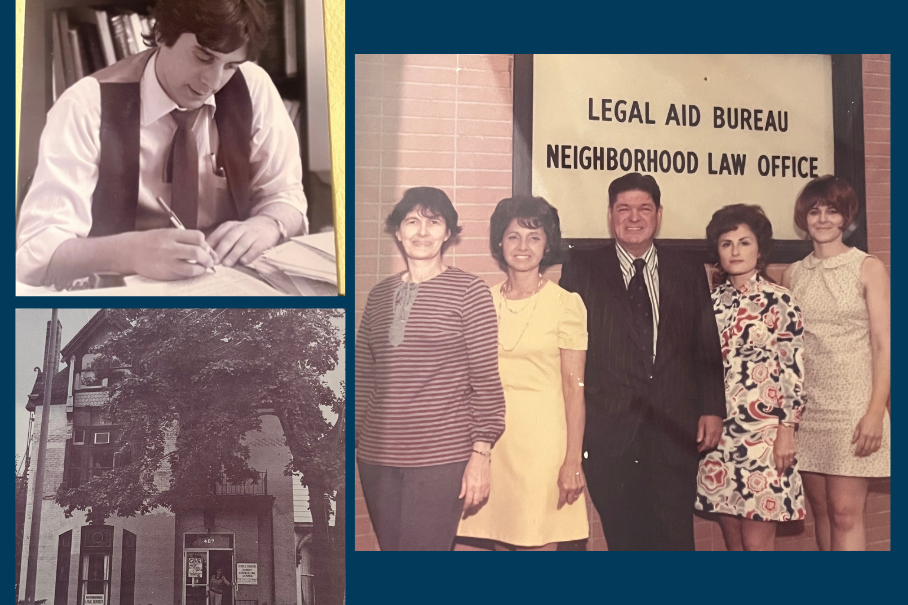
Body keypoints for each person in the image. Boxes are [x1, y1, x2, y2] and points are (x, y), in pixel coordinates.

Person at [16, 0, 307, 288]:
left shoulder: (253, 87)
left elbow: (286, 195)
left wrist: (269, 223)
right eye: (203, 57)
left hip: (224, 289)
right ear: (161, 34)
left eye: (230, 65)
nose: (213, 81)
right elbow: (36, 252)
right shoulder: (86, 105)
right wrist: (131, 252)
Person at [559, 172, 725, 551]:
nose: (634, 217)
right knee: (626, 540)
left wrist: (713, 408)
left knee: (675, 539)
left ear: (659, 214)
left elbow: (705, 344)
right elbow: (568, 354)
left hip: (674, 429)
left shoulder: (685, 269)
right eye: (624, 209)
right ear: (610, 214)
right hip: (610, 432)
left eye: (644, 208)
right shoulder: (582, 268)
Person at [355, 187, 506, 551]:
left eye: (434, 222)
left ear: (448, 233)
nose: (422, 232)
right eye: (412, 222)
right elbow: (362, 378)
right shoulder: (379, 295)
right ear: (397, 231)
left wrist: (480, 456)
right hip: (377, 459)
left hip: (441, 460)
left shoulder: (470, 291)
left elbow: (485, 382)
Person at [455, 196, 588, 551]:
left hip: (542, 449)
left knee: (533, 546)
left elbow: (575, 389)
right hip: (491, 445)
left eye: (534, 237)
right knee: (493, 543)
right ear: (500, 242)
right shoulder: (482, 300)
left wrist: (573, 458)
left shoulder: (566, 304)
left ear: (547, 246)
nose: (523, 246)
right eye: (514, 236)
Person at [782, 175, 891, 551]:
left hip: (853, 407)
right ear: (804, 218)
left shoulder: (868, 267)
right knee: (824, 512)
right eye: (815, 211)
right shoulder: (793, 274)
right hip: (808, 411)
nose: (823, 219)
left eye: (832, 211)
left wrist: (876, 411)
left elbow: (883, 345)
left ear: (846, 218)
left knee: (846, 513)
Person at [694, 204, 806, 550]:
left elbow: (793, 369)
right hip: (719, 438)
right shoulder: (708, 302)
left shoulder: (780, 301)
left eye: (744, 242)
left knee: (758, 547)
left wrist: (786, 431)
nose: (735, 251)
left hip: (765, 440)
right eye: (726, 244)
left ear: (760, 250)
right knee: (734, 545)